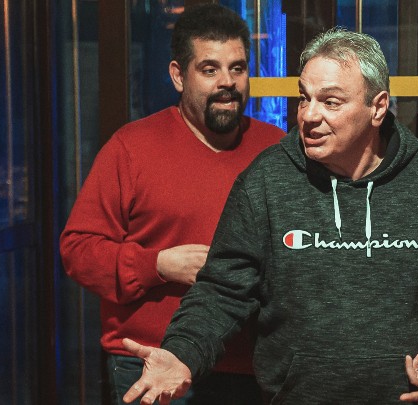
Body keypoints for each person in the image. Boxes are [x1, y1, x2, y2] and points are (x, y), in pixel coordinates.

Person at [121, 28, 418, 405]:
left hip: (414, 397)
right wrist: (183, 352)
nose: (309, 115)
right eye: (304, 98)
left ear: (377, 107)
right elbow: (222, 290)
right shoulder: (267, 180)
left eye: (331, 102)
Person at [59, 4, 285, 405]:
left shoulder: (275, 149)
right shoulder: (131, 148)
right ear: (179, 76)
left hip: (249, 365)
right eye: (209, 69)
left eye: (237, 68)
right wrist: (158, 265)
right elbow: (78, 251)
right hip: (150, 362)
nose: (227, 82)